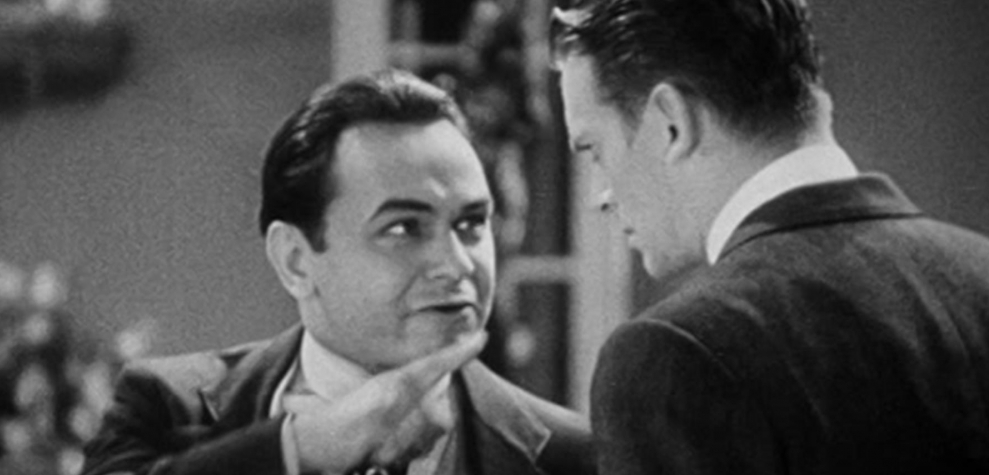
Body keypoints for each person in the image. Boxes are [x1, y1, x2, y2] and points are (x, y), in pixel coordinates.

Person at [81, 69, 594, 475]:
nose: (457, 263)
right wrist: (302, 449)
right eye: (404, 228)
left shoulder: (574, 456)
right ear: (295, 260)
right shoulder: (166, 406)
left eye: (470, 223)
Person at [552, 1, 989, 474]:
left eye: (593, 149)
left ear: (671, 123)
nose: (599, 196)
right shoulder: (980, 273)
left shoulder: (677, 354)